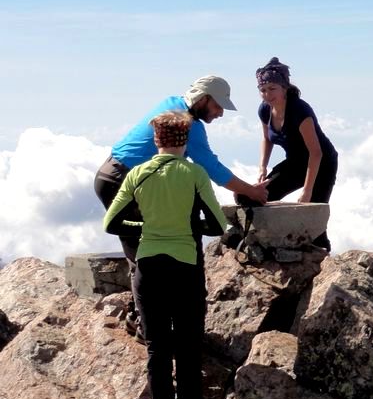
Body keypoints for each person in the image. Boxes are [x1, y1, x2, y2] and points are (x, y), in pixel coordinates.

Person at [103, 111, 228, 399]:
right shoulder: (194, 173)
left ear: (156, 140)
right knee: (188, 355)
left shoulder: (139, 174)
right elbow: (218, 225)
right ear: (184, 140)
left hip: (148, 268)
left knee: (158, 353)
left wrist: (143, 226)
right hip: (185, 267)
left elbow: (112, 222)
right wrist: (190, 228)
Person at [94, 74, 268, 264]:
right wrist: (251, 191)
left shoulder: (173, 103)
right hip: (122, 179)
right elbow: (212, 168)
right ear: (203, 99)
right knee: (149, 248)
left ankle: (148, 287)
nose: (220, 113)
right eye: (217, 106)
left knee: (147, 247)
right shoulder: (187, 123)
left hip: (112, 174)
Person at [255, 57, 338, 249]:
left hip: (322, 164)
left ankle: (320, 262)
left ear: (284, 88)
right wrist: (262, 167)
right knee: (255, 197)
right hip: (294, 162)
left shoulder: (299, 110)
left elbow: (316, 153)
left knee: (313, 221)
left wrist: (307, 191)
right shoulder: (265, 110)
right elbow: (267, 139)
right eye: (263, 90)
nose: (267, 94)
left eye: (272, 88)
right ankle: (269, 240)